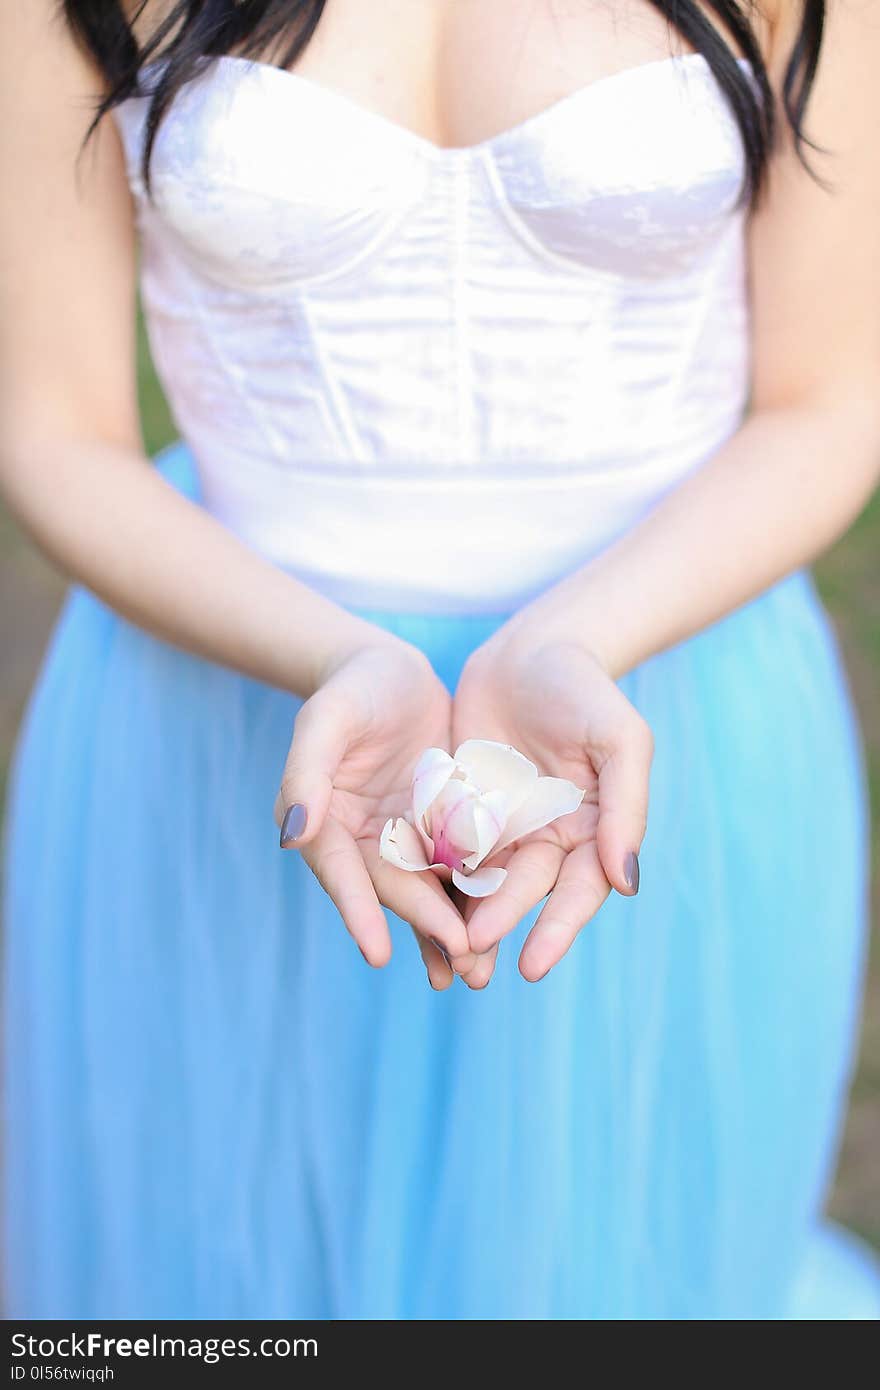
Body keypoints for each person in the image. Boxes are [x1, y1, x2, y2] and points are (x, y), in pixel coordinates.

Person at [2, 0, 878, 1319]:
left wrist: (585, 632)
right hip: (228, 723)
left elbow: (832, 399)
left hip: (665, 708)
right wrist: (331, 654)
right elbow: (54, 431)